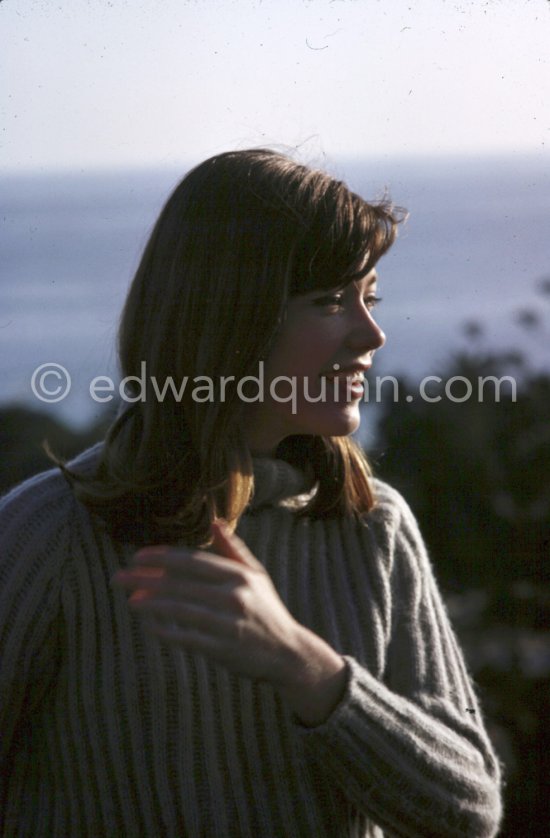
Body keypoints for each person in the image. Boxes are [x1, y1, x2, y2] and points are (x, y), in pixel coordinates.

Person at [0, 149, 502, 837]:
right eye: (330, 301)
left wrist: (305, 666)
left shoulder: (373, 524)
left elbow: (469, 812)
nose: (372, 333)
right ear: (229, 318)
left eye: (370, 297)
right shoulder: (48, 535)